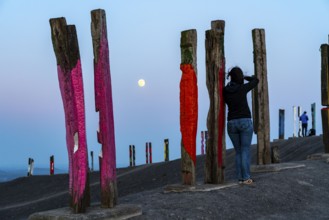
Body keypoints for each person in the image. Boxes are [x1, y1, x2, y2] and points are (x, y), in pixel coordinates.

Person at [223, 67, 259, 185]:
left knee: (238, 152)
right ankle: (246, 177)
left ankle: (240, 178)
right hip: (244, 121)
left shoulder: (225, 90)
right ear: (240, 77)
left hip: (231, 123)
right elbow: (256, 81)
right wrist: (246, 78)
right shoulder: (242, 88)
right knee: (245, 150)